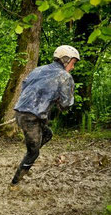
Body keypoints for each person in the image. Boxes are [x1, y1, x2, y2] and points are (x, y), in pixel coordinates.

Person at [10, 45, 79, 189]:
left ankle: (29, 152)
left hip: (21, 113)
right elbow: (65, 105)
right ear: (66, 60)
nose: (72, 67)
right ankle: (14, 183)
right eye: (73, 63)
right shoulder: (65, 77)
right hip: (31, 118)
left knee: (47, 134)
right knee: (33, 153)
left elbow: (25, 88)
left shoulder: (38, 70)